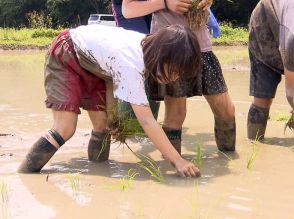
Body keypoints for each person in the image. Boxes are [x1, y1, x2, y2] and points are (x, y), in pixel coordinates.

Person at [18, 24, 202, 177]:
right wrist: (178, 161)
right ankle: (25, 174)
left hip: (96, 67)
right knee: (65, 128)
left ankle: (98, 172)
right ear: (162, 54)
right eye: (174, 70)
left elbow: (110, 77)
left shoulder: (148, 48)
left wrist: (114, 118)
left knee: (103, 126)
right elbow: (146, 120)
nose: (175, 77)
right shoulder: (132, 62)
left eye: (180, 73)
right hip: (66, 53)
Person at [122, 0, 236, 154]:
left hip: (202, 47)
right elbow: (127, 10)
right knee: (176, 115)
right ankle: (174, 167)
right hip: (171, 51)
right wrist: (165, 3)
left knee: (226, 111)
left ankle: (227, 157)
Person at [247, 0, 294, 140]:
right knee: (263, 98)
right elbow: (291, 91)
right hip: (264, 27)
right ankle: (254, 144)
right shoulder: (292, 39)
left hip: (284, 19)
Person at [112, 0, 160, 119]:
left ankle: (148, 125)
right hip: (128, 5)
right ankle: (125, 123)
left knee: (156, 58)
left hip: (155, 6)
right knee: (137, 54)